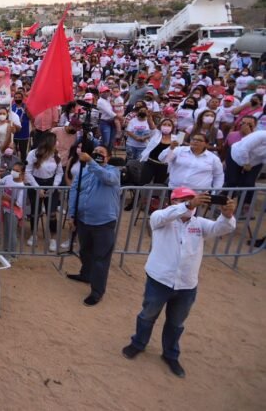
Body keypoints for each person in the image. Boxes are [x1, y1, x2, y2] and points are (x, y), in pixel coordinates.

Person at [121, 189, 237, 378]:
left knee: (176, 323)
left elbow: (222, 228)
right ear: (172, 202)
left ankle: (170, 355)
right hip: (159, 280)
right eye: (183, 200)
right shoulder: (160, 218)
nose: (190, 203)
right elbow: (162, 216)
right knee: (147, 315)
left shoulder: (199, 224)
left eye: (192, 199)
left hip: (186, 285)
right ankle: (138, 343)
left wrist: (227, 215)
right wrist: (188, 205)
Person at [66, 145, 121, 306]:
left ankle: (97, 291)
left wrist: (91, 161)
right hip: (84, 220)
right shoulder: (84, 171)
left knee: (100, 258)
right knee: (85, 251)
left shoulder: (113, 171)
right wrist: (72, 214)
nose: (97, 153)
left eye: (101, 152)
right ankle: (86, 274)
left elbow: (107, 179)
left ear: (108, 157)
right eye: (95, 151)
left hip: (103, 222)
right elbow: (74, 191)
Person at [159, 132, 224, 189]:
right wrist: (170, 148)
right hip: (175, 190)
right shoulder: (179, 150)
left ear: (206, 144)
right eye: (193, 139)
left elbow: (219, 176)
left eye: (199, 140)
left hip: (198, 194)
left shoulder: (213, 158)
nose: (195, 141)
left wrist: (215, 191)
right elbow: (163, 160)